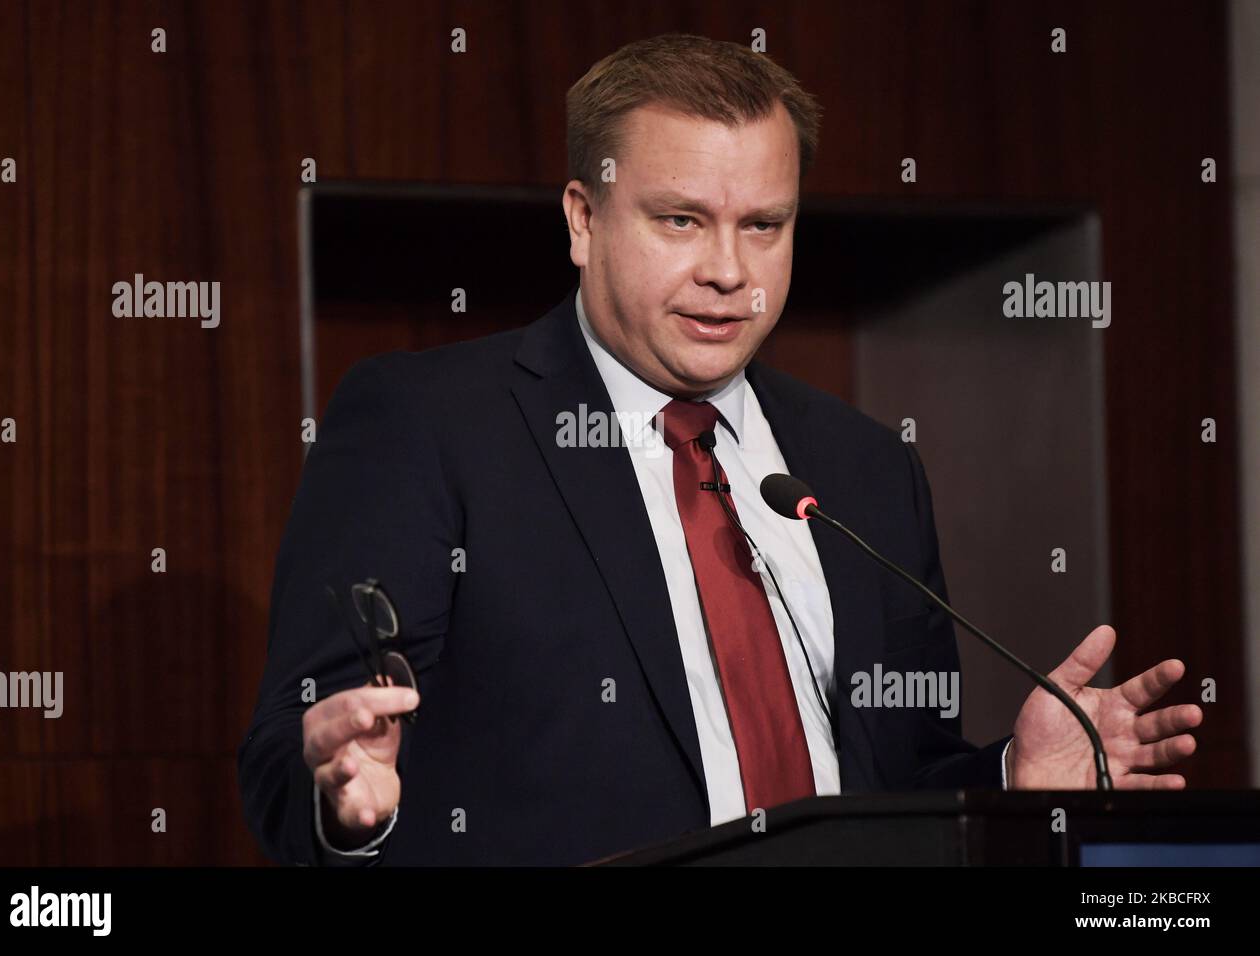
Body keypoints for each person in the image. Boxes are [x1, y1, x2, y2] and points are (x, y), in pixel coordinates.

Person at [237, 33, 1201, 867]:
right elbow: (297, 753)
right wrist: (339, 801)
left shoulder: (865, 466)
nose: (729, 272)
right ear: (582, 218)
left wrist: (1008, 774)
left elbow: (894, 778)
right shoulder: (426, 425)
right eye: (681, 220)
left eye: (764, 226)